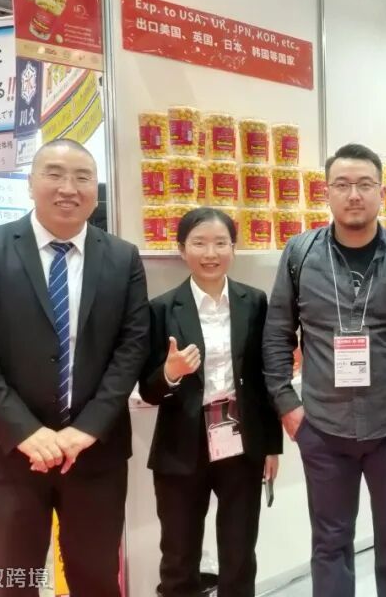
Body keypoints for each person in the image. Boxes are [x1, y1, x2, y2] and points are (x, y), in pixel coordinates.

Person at [0, 139, 149, 597]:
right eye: (54, 174)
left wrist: (87, 428)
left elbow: (132, 347)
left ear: (94, 188)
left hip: (94, 457)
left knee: (96, 581)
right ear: (31, 183)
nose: (68, 188)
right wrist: (25, 432)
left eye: (81, 177)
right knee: (9, 584)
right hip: (5, 456)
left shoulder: (122, 257)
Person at [262, 143, 386, 597]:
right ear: (326, 192)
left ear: (382, 192)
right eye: (342, 184)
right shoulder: (300, 254)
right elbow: (277, 333)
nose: (354, 194)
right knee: (330, 544)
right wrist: (288, 406)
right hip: (323, 427)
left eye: (365, 184)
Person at [139, 208, 282, 597]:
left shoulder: (254, 302)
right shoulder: (161, 308)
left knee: (239, 554)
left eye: (221, 243)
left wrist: (271, 446)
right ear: (181, 249)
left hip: (242, 442)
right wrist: (170, 372)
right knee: (179, 556)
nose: (210, 253)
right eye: (199, 243)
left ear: (234, 248)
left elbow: (264, 378)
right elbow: (148, 390)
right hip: (181, 447)